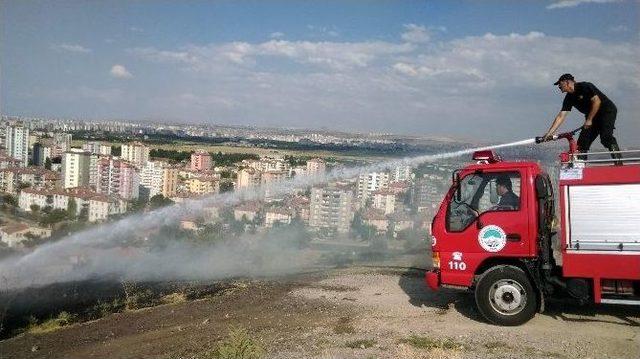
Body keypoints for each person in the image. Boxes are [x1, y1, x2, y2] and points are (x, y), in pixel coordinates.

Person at [543, 73, 621, 162]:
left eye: (560, 84)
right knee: (582, 143)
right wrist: (550, 133)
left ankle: (619, 163)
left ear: (567, 82)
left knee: (605, 137)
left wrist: (589, 120)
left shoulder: (585, 86)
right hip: (591, 116)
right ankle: (581, 168)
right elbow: (561, 116)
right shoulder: (569, 98)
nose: (559, 87)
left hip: (606, 111)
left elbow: (597, 102)